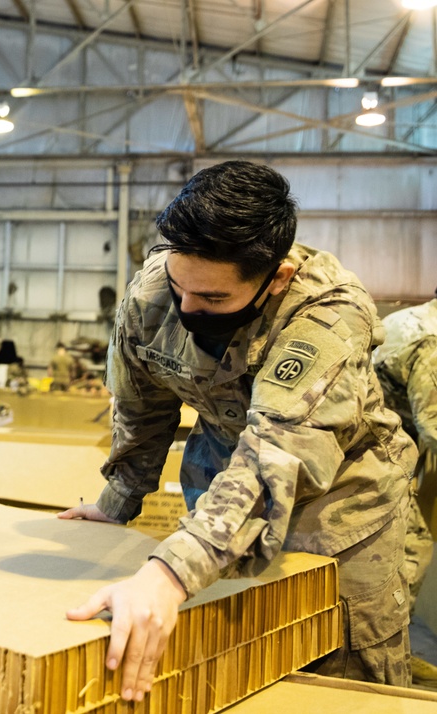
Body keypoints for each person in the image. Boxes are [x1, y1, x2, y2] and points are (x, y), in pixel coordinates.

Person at [59, 161, 417, 700]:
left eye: (213, 300)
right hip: (222, 491)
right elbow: (142, 404)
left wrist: (169, 573)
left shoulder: (328, 314)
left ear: (276, 278)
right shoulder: (155, 292)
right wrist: (119, 500)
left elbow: (276, 453)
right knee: (228, 659)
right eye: (181, 288)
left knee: (342, 678)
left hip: (342, 510)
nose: (187, 308)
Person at [373, 291, 437, 684]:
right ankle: (385, 662)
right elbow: (435, 428)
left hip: (390, 448)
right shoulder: (430, 342)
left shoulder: (420, 319)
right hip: (375, 458)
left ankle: (396, 650)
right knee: (411, 542)